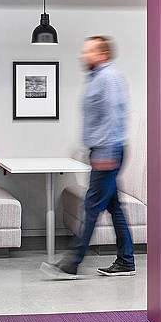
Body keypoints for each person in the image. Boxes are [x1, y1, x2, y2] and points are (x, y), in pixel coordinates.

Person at [41, 36, 135, 279]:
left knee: (91, 206)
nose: (83, 55)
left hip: (109, 150)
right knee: (114, 207)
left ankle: (71, 263)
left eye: (89, 51)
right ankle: (126, 261)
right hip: (103, 149)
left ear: (102, 54)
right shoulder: (97, 78)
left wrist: (105, 152)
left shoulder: (109, 78)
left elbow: (114, 116)